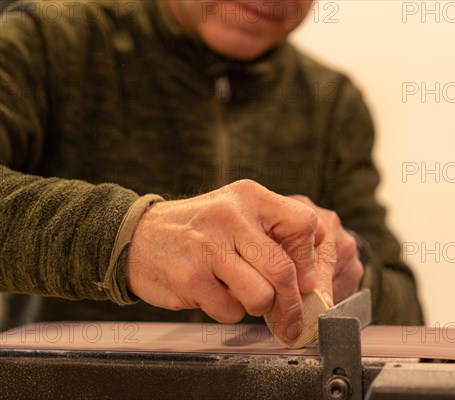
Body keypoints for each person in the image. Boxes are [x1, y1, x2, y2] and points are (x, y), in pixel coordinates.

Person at [0, 0, 424, 340]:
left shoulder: (333, 102)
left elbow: (409, 318)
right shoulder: (49, 39)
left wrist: (355, 271)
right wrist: (129, 235)